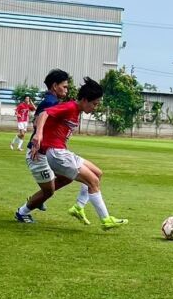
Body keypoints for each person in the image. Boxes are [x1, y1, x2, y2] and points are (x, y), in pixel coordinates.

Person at [23, 77, 128, 230]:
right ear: (85, 100)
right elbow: (43, 114)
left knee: (97, 173)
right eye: (94, 104)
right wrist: (38, 135)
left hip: (61, 152)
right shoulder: (70, 107)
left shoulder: (76, 109)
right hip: (57, 154)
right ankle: (106, 219)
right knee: (92, 182)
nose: (95, 107)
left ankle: (78, 207)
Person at [15, 69, 92, 224]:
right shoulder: (51, 102)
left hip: (47, 150)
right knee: (49, 191)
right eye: (64, 86)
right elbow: (38, 122)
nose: (66, 89)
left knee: (67, 177)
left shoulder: (51, 101)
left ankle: (40, 197)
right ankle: (23, 212)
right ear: (55, 86)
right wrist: (38, 140)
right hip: (39, 152)